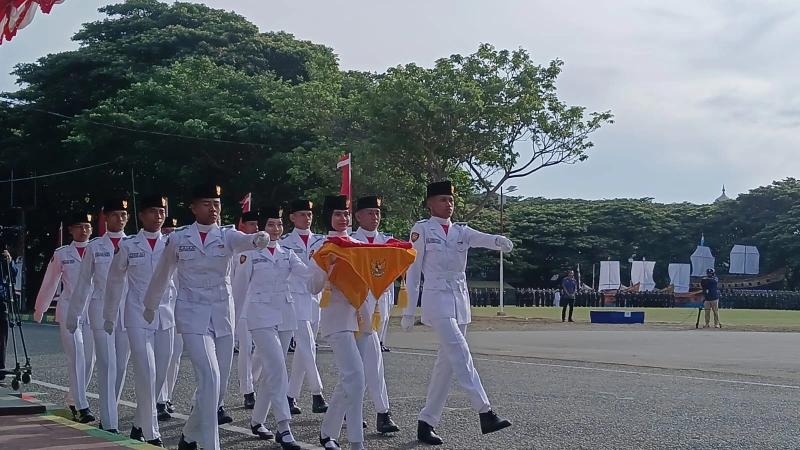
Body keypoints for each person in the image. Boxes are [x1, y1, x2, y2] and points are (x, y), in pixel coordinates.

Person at [142, 184, 270, 450]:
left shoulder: (227, 235)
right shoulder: (178, 239)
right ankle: (212, 445)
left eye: (216, 204)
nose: (213, 209)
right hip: (191, 313)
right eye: (206, 204)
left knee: (218, 387)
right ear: (193, 208)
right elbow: (162, 274)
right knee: (209, 377)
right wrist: (150, 305)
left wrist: (258, 239)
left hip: (222, 314)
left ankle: (188, 436)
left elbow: (247, 241)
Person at [401, 181, 513, 446]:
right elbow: (413, 272)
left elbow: (481, 238)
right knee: (460, 352)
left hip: (459, 301)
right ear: (429, 203)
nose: (448, 204)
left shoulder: (460, 231)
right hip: (436, 299)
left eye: (450, 200)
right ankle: (485, 411)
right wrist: (408, 311)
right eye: (442, 200)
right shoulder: (421, 230)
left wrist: (498, 241)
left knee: (447, 365)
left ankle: (426, 422)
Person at [102, 195, 174, 446]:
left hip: (166, 315)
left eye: (161, 211)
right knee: (146, 371)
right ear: (141, 216)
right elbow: (114, 282)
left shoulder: (172, 243)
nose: (158, 216)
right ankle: (152, 433)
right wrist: (109, 315)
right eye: (153, 211)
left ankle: (138, 423)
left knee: (161, 374)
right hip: (136, 314)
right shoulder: (129, 246)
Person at [232, 205, 303, 449]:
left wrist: (330, 265)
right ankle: (284, 427)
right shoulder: (249, 254)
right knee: (277, 368)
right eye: (271, 224)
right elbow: (239, 289)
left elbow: (309, 278)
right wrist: (232, 324)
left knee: (272, 370)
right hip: (259, 315)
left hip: (285, 314)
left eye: (280, 224)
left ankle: (257, 419)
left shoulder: (288, 253)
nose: (276, 229)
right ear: (262, 228)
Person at [307, 194, 369, 450]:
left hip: (362, 317)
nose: (342, 218)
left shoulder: (358, 244)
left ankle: (327, 433)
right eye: (337, 214)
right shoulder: (321, 246)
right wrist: (327, 266)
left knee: (350, 379)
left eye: (345, 214)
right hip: (335, 317)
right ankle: (357, 441)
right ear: (328, 218)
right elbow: (312, 287)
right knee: (356, 378)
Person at [66, 199, 130, 434]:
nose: (119, 219)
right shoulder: (95, 246)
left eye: (123, 214)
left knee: (121, 365)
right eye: (115, 214)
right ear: (105, 219)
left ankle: (108, 411)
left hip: (125, 310)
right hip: (100, 307)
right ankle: (110, 422)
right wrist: (74, 314)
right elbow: (84, 282)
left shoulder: (133, 244)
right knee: (106, 362)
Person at [34, 211, 97, 423]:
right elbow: (50, 281)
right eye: (79, 226)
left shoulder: (98, 250)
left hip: (91, 311)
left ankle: (73, 398)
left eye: (87, 226)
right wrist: (40, 309)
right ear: (71, 230)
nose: (84, 230)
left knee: (90, 359)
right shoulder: (62, 253)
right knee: (76, 356)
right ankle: (82, 406)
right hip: (69, 308)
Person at [349, 196, 400, 433]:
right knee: (360, 364)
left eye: (377, 213)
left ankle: (378, 413)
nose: (375, 217)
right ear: (358, 216)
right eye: (369, 213)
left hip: (380, 309)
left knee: (372, 360)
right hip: (356, 309)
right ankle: (376, 413)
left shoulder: (388, 242)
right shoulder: (350, 241)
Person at [281, 199, 328, 415]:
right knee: (308, 344)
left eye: (309, 214)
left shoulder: (321, 241)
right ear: (292, 218)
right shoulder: (284, 242)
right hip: (294, 297)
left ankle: (290, 396)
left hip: (314, 297)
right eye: (301, 214)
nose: (307, 218)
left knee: (304, 349)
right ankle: (317, 394)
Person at [233, 210, 263, 410]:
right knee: (245, 349)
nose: (256, 228)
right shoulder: (236, 248)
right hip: (242, 305)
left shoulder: (263, 248)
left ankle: (251, 379)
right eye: (251, 224)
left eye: (257, 225)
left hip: (261, 306)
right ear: (242, 226)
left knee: (262, 350)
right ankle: (248, 391)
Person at [160, 216, 181, 415]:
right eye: (166, 230)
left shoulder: (183, 248)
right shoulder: (158, 249)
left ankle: (166, 397)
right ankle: (159, 399)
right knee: (162, 357)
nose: (169, 234)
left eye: (172, 230)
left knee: (175, 357)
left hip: (181, 308)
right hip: (162, 308)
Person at [0, 249, 18, 380]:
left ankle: (1, 368)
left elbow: (13, 275)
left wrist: (9, 262)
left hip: (1, 300)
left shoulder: (3, 257)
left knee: (2, 337)